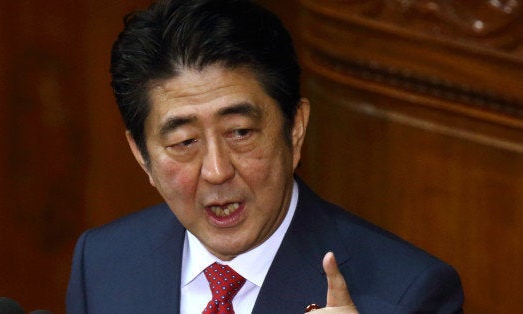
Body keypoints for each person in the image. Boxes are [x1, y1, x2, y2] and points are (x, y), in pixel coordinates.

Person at [66, 0, 464, 313]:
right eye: (184, 142)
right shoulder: (103, 262)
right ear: (141, 155)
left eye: (240, 132)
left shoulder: (409, 295)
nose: (217, 171)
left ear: (296, 128)